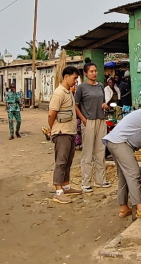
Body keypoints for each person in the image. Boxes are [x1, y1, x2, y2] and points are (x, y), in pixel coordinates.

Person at [102, 102, 141, 221]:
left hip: (114, 141)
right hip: (121, 143)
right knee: (133, 174)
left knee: (124, 176)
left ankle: (123, 208)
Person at [47, 66, 82, 203]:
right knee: (61, 161)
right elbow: (51, 114)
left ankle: (66, 186)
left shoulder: (69, 92)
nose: (75, 81)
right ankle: (58, 191)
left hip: (70, 131)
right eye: (74, 78)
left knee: (68, 160)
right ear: (66, 77)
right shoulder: (59, 93)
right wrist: (52, 128)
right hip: (62, 132)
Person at [76, 63, 111, 193]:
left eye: (95, 71)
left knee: (100, 150)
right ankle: (86, 182)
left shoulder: (100, 86)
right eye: (91, 71)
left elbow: (103, 101)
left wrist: (105, 105)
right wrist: (83, 119)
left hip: (101, 120)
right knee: (88, 152)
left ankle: (100, 180)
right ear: (86, 73)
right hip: (88, 121)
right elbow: (75, 105)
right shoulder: (81, 88)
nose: (94, 73)